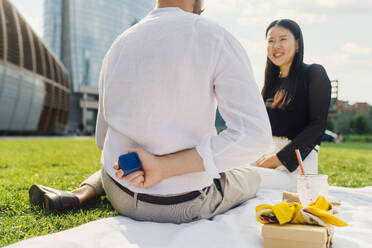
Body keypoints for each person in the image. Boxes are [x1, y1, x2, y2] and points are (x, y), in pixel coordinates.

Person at [29, 0, 273, 224]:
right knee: (251, 176)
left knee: (118, 162)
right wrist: (163, 166)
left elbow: (102, 140)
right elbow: (255, 136)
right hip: (180, 203)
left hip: (119, 192)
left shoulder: (119, 42)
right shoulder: (216, 37)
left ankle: (82, 192)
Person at [252, 19, 331, 190]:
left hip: (296, 162)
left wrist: (279, 158)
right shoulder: (270, 84)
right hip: (265, 155)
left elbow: (317, 126)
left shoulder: (314, 73)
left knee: (242, 177)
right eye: (271, 41)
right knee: (225, 170)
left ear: (297, 44)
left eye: (283, 39)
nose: (276, 46)